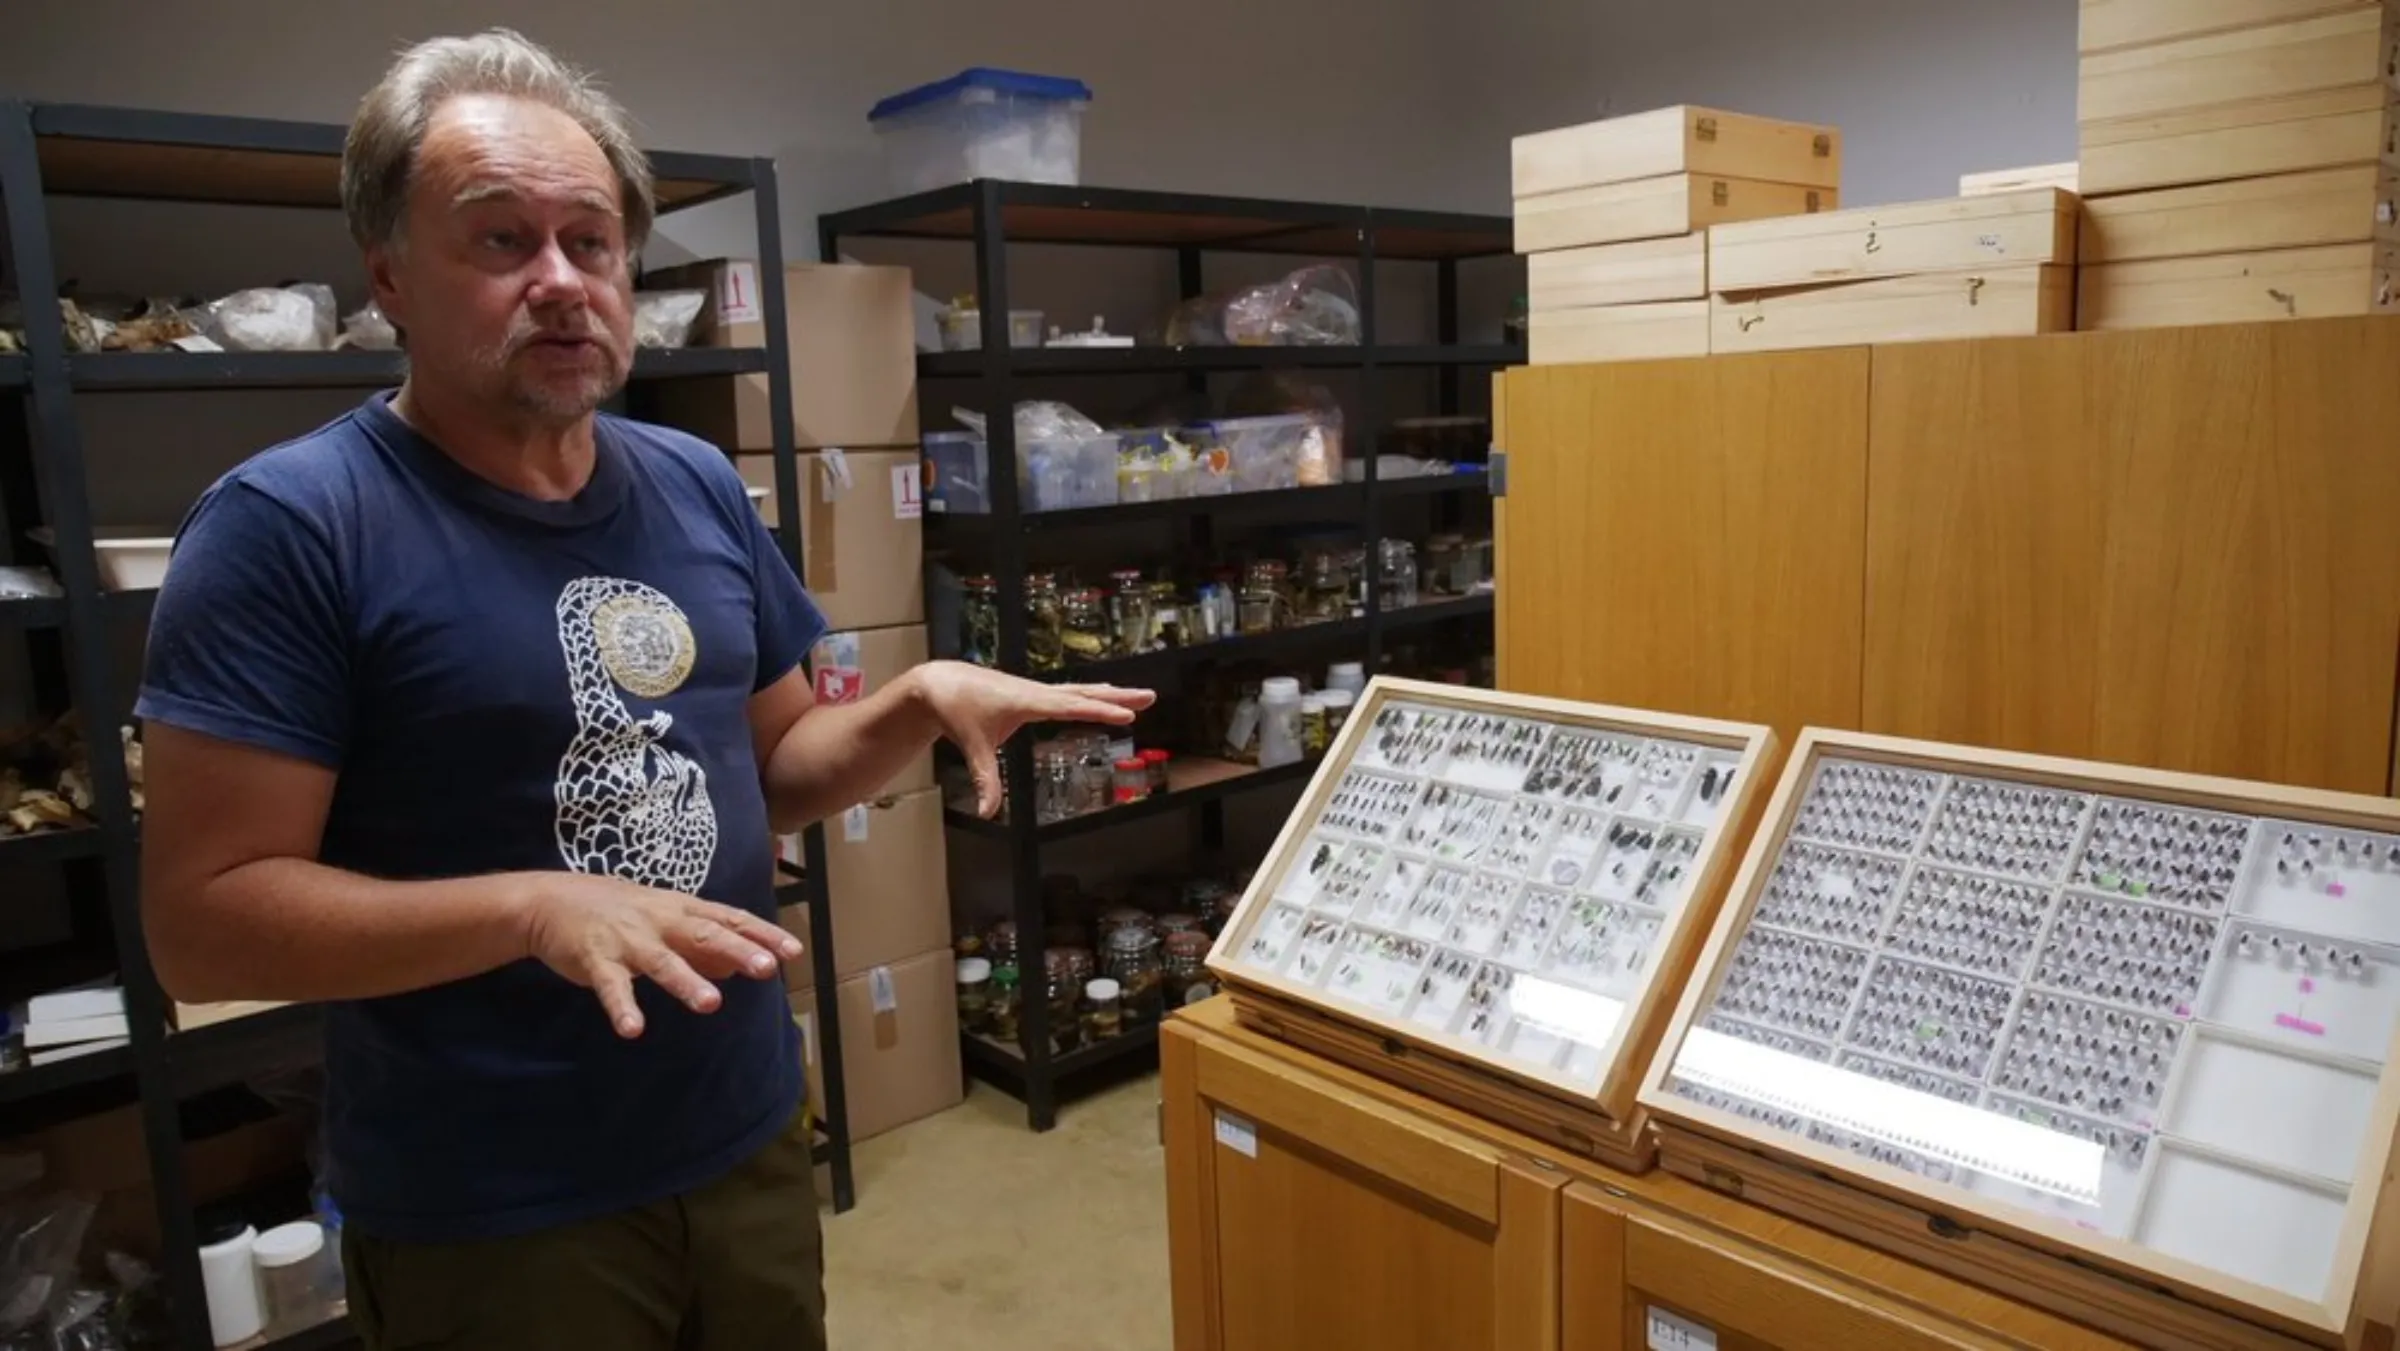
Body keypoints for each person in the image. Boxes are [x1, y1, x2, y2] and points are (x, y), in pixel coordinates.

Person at [134, 28, 1152, 1350]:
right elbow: (204, 927)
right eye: (501, 241)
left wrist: (910, 701)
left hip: (740, 1134)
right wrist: (532, 908)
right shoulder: (291, 526)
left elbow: (778, 770)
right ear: (388, 275)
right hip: (495, 1206)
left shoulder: (692, 483)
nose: (561, 280)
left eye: (593, 240)